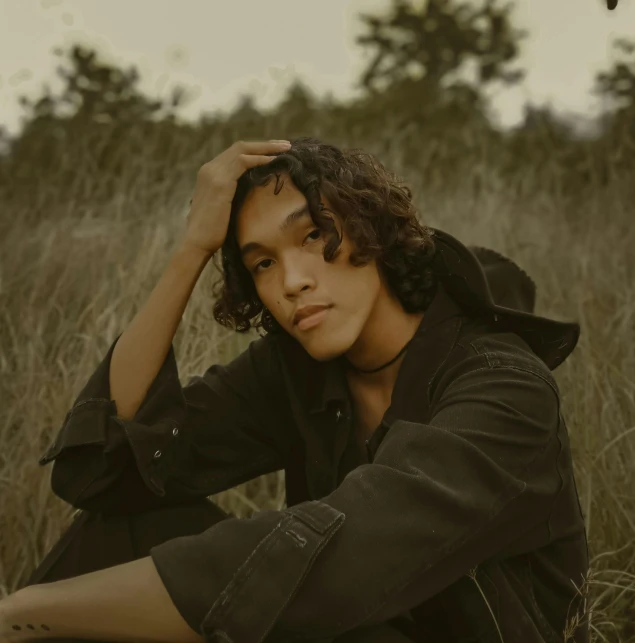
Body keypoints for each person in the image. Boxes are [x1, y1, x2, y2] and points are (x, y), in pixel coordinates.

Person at [4, 138, 589, 643]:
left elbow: (349, 557)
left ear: (374, 227)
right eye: (261, 263)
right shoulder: (299, 370)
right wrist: (191, 253)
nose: (291, 281)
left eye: (311, 236)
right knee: (124, 527)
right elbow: (108, 470)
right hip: (357, 628)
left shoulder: (504, 385)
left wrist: (26, 614)